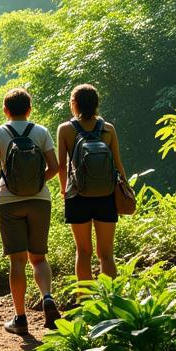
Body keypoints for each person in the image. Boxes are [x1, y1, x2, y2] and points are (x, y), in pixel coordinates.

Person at [0, 87, 61, 334]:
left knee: (18, 261)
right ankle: (47, 298)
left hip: (8, 201)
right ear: (29, 109)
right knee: (39, 257)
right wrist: (37, 182)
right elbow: (54, 167)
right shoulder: (41, 132)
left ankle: (20, 318)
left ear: (5, 110)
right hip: (40, 200)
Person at [56, 83, 127, 281]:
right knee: (106, 254)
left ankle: (85, 302)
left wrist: (64, 190)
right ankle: (112, 302)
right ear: (96, 103)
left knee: (83, 252)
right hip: (106, 195)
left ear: (74, 104)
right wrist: (125, 190)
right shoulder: (108, 129)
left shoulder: (65, 130)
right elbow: (117, 163)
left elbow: (62, 166)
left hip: (77, 195)